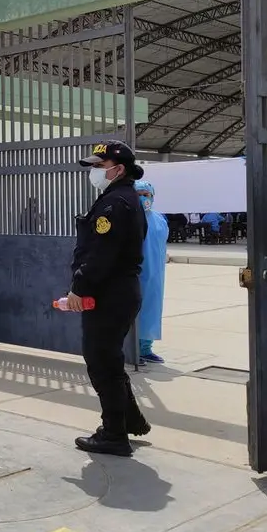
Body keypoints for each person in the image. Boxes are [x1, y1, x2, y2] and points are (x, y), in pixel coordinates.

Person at [68, 140, 152, 457]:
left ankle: (114, 434)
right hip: (118, 291)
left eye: (99, 166)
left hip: (110, 292)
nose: (94, 171)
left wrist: (80, 286)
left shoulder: (114, 204)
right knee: (110, 359)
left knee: (102, 363)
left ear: (118, 169)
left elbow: (102, 254)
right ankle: (130, 420)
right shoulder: (120, 198)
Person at [134, 180, 169, 365]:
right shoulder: (130, 219)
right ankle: (132, 348)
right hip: (137, 273)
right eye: (138, 194)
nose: (142, 198)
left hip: (156, 273)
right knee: (136, 310)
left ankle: (146, 348)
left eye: (146, 195)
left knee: (152, 309)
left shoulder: (159, 219)